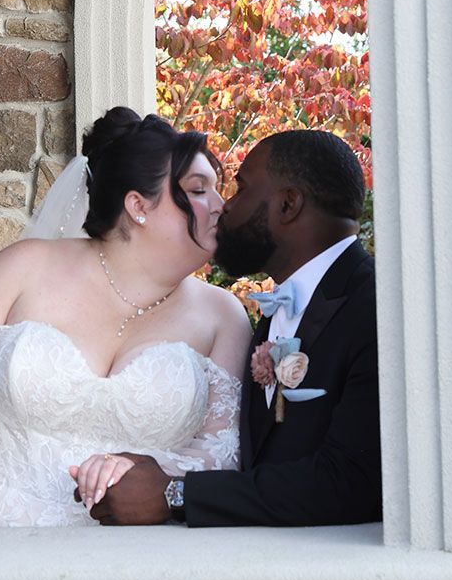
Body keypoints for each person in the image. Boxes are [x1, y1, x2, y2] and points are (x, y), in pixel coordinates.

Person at [0, 107, 251, 527]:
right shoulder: (22, 269)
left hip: (143, 557)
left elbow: (221, 453)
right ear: (138, 206)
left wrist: (153, 474)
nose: (222, 206)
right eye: (199, 190)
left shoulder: (224, 316)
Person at [80, 130, 381, 527]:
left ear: (288, 205)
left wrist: (176, 494)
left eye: (240, 189)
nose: (226, 208)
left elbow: (352, 481)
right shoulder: (273, 317)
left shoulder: (374, 306)